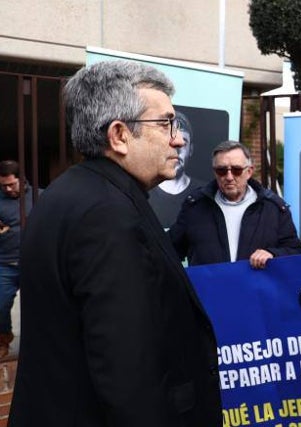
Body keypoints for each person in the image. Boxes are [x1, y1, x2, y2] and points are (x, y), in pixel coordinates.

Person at [9, 60, 222, 427]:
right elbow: (128, 370)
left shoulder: (74, 194)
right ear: (119, 135)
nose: (179, 137)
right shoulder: (106, 215)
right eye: (166, 123)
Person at [170, 140, 301, 268]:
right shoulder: (195, 206)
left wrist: (273, 254)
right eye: (222, 170)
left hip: (256, 290)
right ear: (214, 172)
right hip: (209, 289)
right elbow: (170, 250)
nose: (229, 177)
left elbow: (295, 251)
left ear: (249, 172)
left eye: (236, 170)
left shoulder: (274, 208)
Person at [0, 160, 35, 359]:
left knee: (42, 305)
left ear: (22, 180)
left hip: (33, 262)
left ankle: (40, 345)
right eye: (3, 185)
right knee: (0, 304)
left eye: (11, 184)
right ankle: (3, 340)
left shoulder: (41, 195)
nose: (7, 189)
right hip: (4, 263)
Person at [149, 110, 204, 228]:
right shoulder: (142, 192)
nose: (177, 149)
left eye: (183, 143)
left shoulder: (204, 193)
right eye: (171, 142)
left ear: (191, 150)